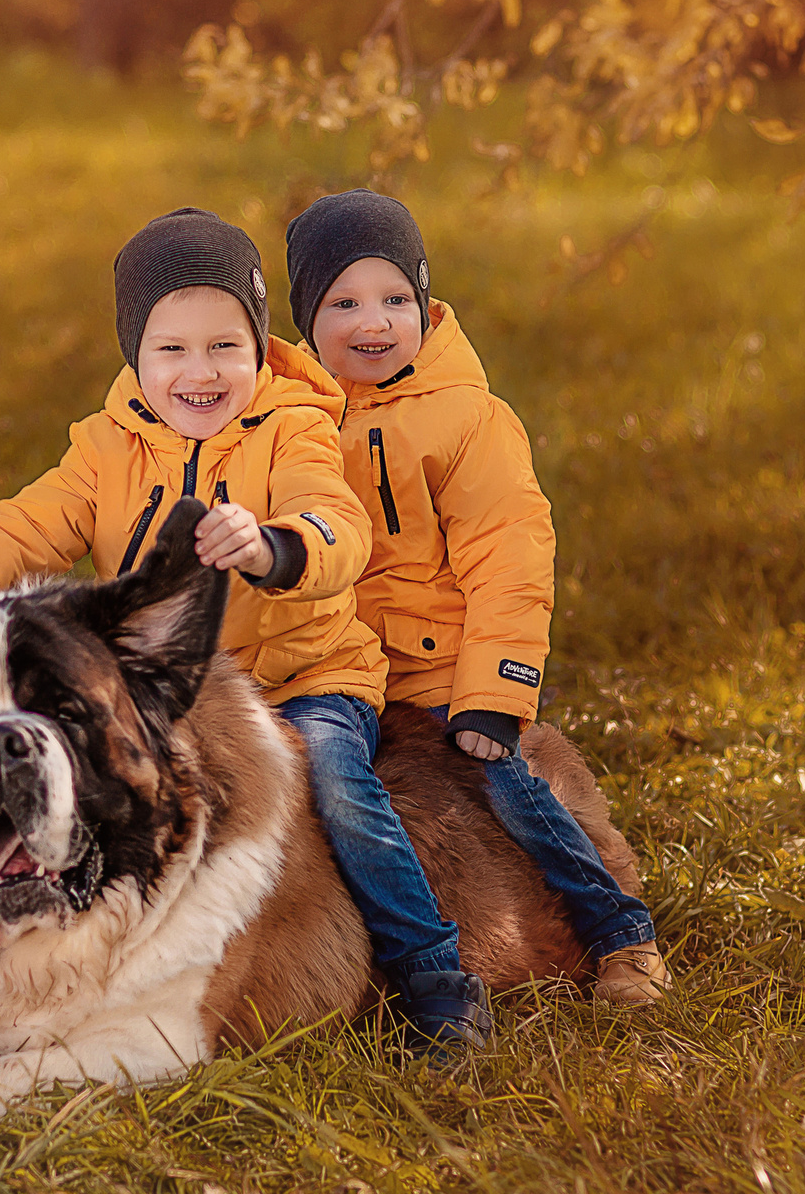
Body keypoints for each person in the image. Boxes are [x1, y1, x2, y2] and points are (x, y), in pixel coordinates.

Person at [0, 206, 493, 1055]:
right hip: (177, 689)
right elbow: (24, 526)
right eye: (172, 350)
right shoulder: (106, 448)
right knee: (132, 789)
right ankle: (100, 952)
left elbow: (338, 524)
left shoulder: (294, 428)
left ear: (259, 347)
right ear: (136, 359)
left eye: (226, 346)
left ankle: (433, 972)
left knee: (338, 789)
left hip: (308, 676)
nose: (201, 372)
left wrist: (273, 544)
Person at [286, 189, 671, 1005]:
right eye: (344, 302)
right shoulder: (295, 422)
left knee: (514, 794)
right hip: (342, 672)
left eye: (396, 298)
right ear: (305, 321)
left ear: (426, 307)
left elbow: (511, 557)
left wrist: (494, 691)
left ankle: (620, 933)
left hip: (445, 668)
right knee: (325, 800)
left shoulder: (468, 419)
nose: (374, 321)